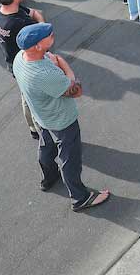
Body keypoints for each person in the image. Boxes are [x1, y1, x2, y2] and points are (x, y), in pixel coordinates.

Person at [13, 23, 111, 212]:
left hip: (41, 116)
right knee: (69, 159)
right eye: (48, 36)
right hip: (62, 121)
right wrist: (62, 64)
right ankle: (80, 197)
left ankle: (49, 177)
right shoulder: (44, 74)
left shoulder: (20, 58)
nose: (52, 35)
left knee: (45, 147)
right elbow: (76, 90)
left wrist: (49, 58)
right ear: (38, 46)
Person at [0, 0, 44, 138]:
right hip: (27, 67)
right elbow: (42, 37)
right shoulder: (19, 23)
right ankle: (41, 131)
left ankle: (33, 128)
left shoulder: (0, 10)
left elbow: (31, 12)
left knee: (26, 96)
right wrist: (41, 23)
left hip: (13, 63)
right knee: (34, 99)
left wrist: (35, 16)